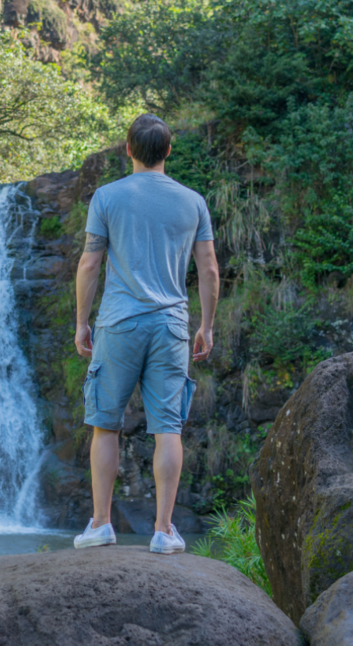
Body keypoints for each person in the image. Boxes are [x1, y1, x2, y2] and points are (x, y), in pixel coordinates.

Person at [72, 114, 220, 554]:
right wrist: (206, 325)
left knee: (104, 425)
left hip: (118, 323)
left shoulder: (107, 197)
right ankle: (163, 530)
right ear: (168, 151)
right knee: (167, 428)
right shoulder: (193, 202)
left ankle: (100, 524)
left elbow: (90, 263)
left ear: (129, 149)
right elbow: (209, 268)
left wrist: (82, 322)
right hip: (172, 325)